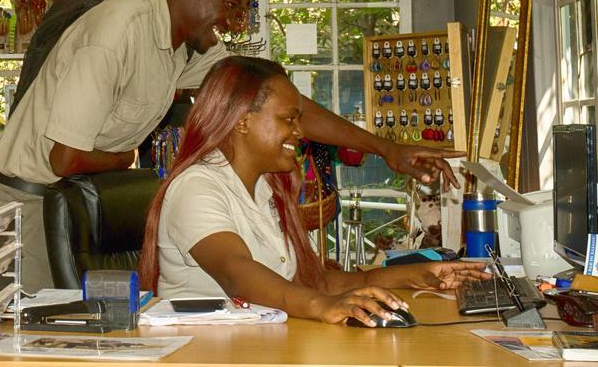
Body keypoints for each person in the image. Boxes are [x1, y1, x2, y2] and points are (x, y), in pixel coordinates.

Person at [0, 0, 463, 292]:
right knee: (34, 342)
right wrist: (125, 158)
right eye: (230, 6)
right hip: (32, 203)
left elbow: (281, 102)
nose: (234, 22)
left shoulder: (184, 48)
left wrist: (387, 149)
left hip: (80, 195)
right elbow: (63, 159)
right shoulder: (116, 35)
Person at [138, 56, 489, 325]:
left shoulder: (261, 189)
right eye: (288, 120)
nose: (299, 133)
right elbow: (236, 272)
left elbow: (310, 282)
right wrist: (322, 307)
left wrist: (413, 276)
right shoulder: (196, 187)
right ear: (243, 121)